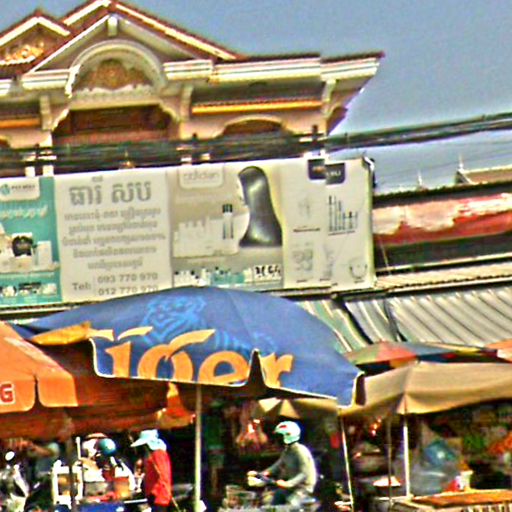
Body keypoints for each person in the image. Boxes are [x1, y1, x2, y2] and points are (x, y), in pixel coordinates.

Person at [248, 420, 318, 507]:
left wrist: (288, 484)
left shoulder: (300, 451)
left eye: (279, 437)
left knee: (291, 505)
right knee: (274, 501)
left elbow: (304, 473)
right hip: (291, 488)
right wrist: (260, 474)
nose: (277, 440)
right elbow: (277, 466)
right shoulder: (287, 451)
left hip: (303, 488)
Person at [130, 430, 173, 512]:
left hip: (159, 496)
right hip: (153, 496)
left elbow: (163, 475)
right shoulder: (152, 454)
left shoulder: (158, 454)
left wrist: (154, 492)